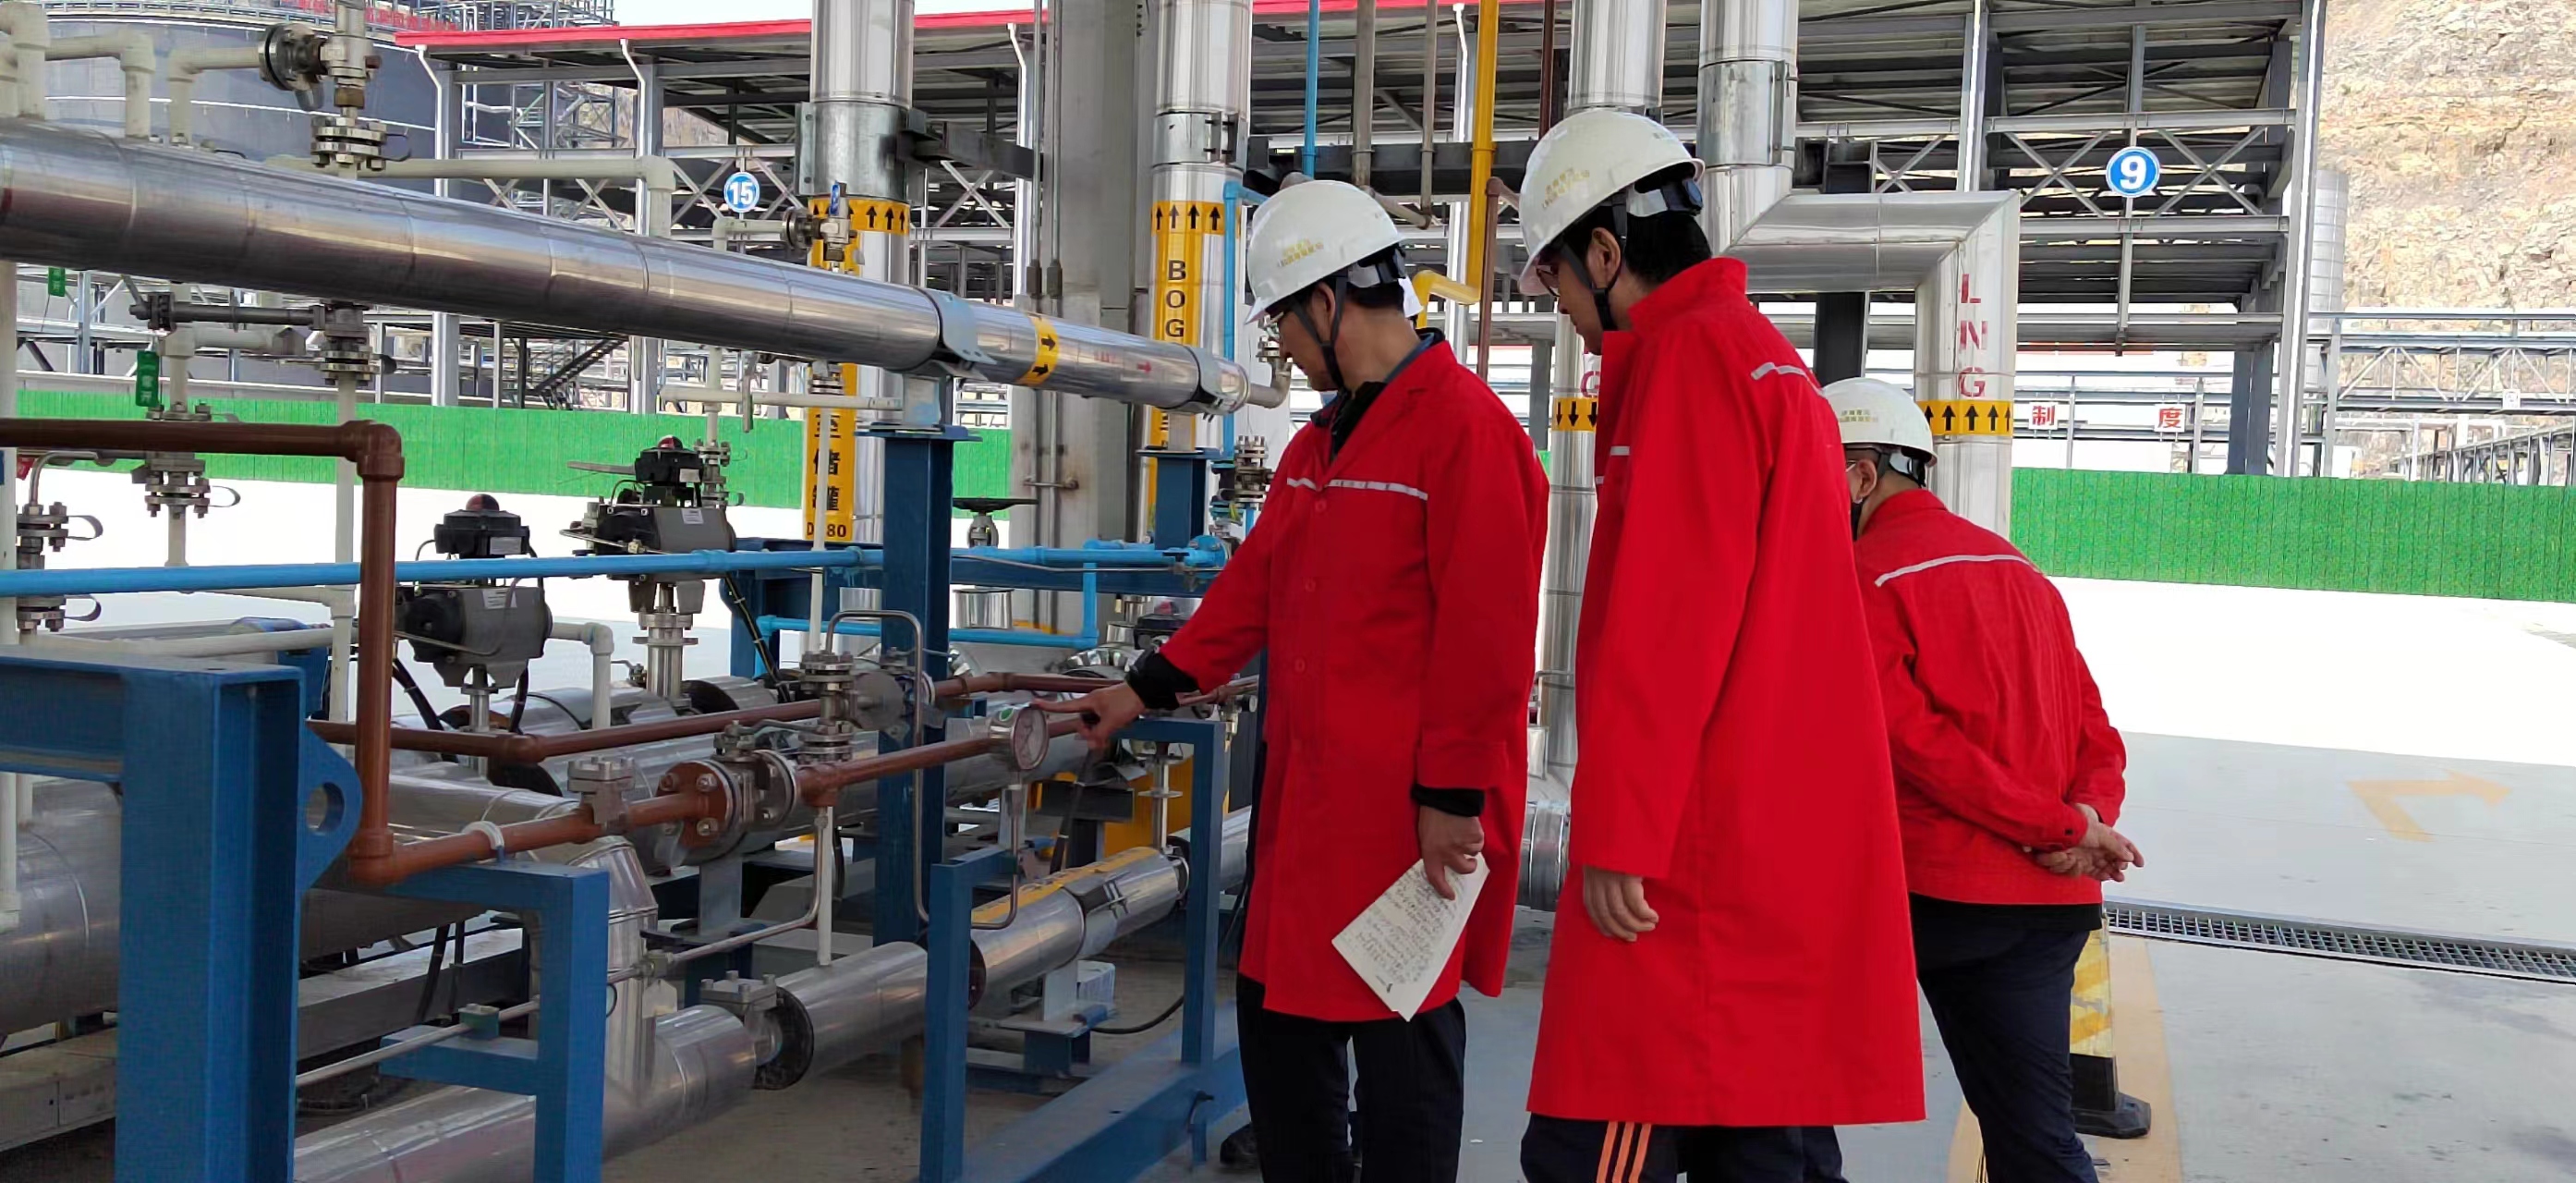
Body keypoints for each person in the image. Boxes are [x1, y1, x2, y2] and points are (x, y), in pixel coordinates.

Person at [1039, 179, 1546, 1183]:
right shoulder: (1321, 444)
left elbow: (1489, 638)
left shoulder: (1466, 431)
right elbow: (1253, 592)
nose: (1282, 346)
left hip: (1404, 815)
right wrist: (1139, 689)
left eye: (1282, 321)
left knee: (1401, 1033)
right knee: (1281, 1027)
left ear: (1328, 301)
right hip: (1309, 805)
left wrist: (1451, 798)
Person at [1511, 107, 1925, 1183]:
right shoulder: (1762, 361)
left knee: (1603, 1137)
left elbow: (1668, 623)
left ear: (1606, 253)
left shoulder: (1689, 363)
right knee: (1762, 1128)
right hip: (1762, 828)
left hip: (1691, 850)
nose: (1558, 307)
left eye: (1553, 276)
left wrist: (1621, 830)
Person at [1825, 375, 2145, 1183]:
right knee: (2034, 1137)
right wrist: (2084, 822)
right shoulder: (2021, 570)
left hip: (1940, 896)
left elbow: (1915, 745)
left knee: (1784, 1103)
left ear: (1861, 475)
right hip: (2051, 902)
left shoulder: (1865, 576)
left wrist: (2063, 828)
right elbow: (2095, 730)